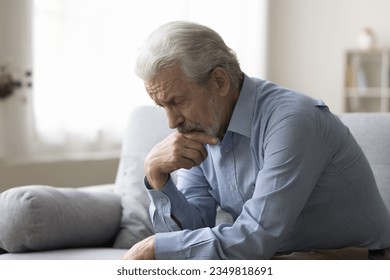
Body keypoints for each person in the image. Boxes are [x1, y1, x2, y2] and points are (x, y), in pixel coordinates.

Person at [121, 21, 390, 260]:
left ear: (219, 81)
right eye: (161, 106)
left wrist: (156, 248)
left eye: (177, 102)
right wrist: (157, 177)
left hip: (360, 259)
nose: (171, 123)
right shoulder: (201, 129)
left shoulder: (293, 121)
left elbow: (254, 238)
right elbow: (195, 238)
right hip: (279, 257)